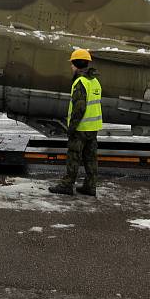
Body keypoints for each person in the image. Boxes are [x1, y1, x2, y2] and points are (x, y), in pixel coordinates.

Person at [49, 49, 102, 197]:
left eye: (72, 64)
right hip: (93, 128)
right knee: (90, 159)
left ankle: (67, 185)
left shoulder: (80, 82)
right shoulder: (95, 81)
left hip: (81, 128)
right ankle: (90, 186)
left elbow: (79, 107)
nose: (71, 67)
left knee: (74, 157)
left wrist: (71, 127)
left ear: (76, 64)